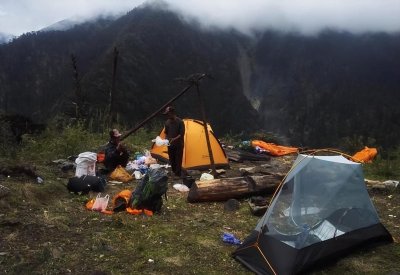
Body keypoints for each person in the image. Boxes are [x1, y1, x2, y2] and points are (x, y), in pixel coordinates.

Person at [163, 106, 185, 178]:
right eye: (167, 114)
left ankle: (178, 174)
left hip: (179, 144)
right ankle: (174, 172)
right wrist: (166, 140)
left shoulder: (180, 122)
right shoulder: (167, 122)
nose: (167, 115)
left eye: (168, 114)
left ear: (172, 113)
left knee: (178, 159)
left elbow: (181, 134)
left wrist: (173, 139)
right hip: (170, 144)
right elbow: (166, 133)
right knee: (171, 158)